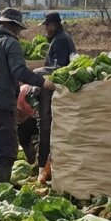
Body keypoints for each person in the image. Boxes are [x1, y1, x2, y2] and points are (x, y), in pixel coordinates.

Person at [0, 8, 54, 189]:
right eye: (17, 29)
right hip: (0, 103)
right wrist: (42, 82)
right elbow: (19, 71)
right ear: (13, 27)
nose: (18, 33)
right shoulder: (10, 43)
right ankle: (1, 195)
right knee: (6, 152)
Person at [36, 12, 76, 178]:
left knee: (46, 127)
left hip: (53, 90)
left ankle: (43, 167)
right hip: (59, 90)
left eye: (47, 26)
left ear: (53, 25)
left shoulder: (60, 40)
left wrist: (36, 73)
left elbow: (58, 68)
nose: (46, 29)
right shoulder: (62, 37)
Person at [16, 84, 41, 164]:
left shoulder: (25, 94)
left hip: (29, 119)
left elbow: (34, 113)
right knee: (24, 140)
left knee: (25, 140)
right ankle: (33, 161)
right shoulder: (24, 91)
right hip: (23, 120)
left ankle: (34, 162)